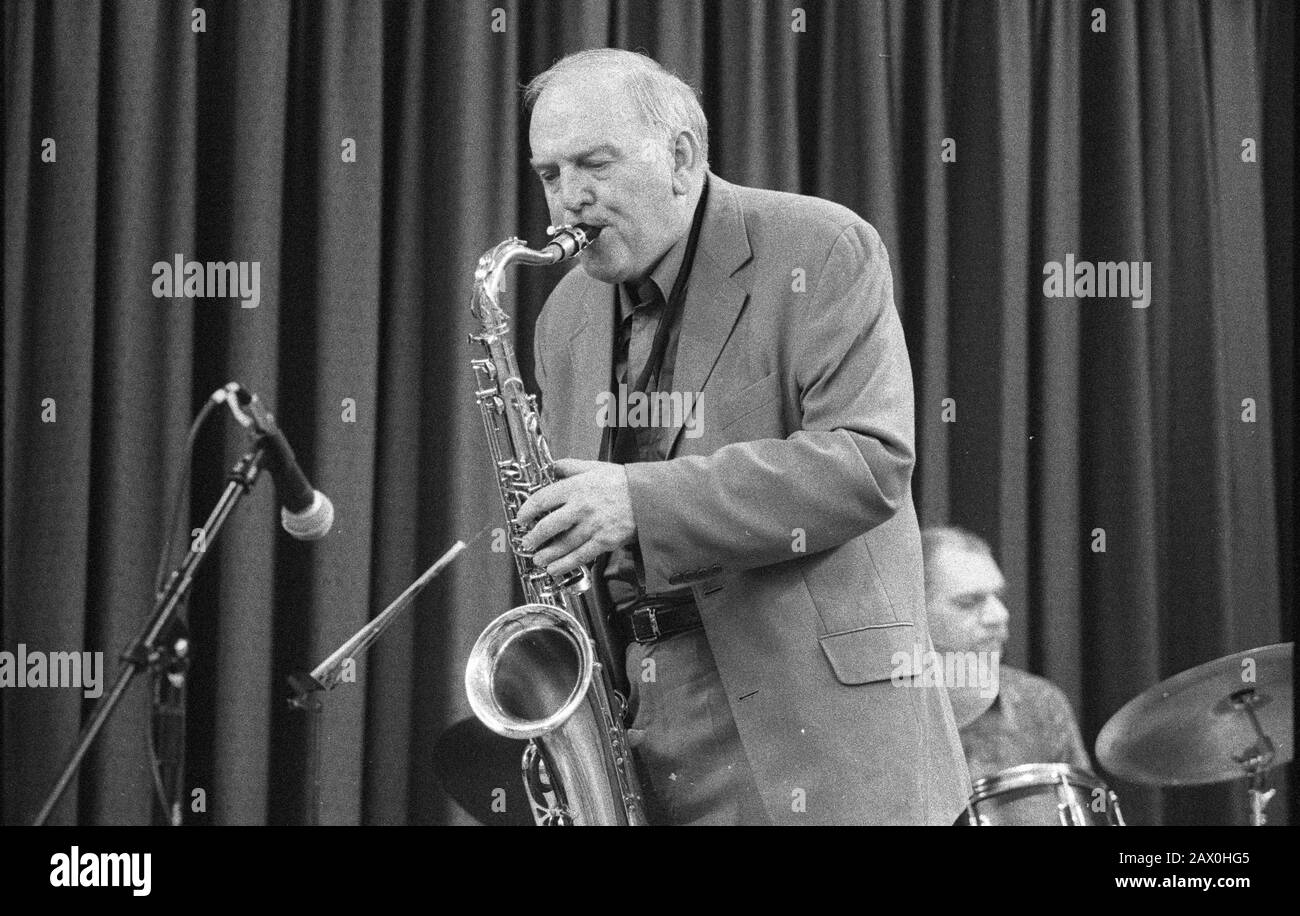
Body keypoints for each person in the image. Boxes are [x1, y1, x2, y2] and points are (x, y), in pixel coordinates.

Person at [513, 48, 968, 825]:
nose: (569, 202)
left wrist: (636, 501)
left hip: (823, 734)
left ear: (681, 156)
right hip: (656, 740)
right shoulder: (563, 316)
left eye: (594, 164)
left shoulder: (821, 246)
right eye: (550, 174)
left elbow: (868, 461)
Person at [920, 525, 1093, 784]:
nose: (1000, 615)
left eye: (997, 596)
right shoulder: (874, 710)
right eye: (969, 602)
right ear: (913, 609)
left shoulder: (1038, 703)